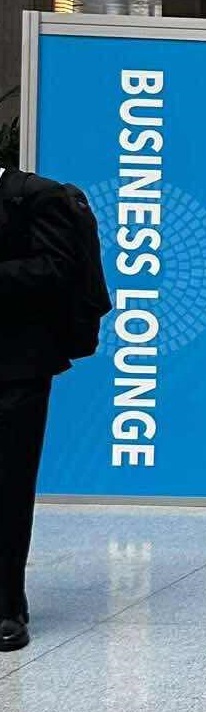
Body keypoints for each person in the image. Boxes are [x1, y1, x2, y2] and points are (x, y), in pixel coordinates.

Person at [0, 166, 77, 652]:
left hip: (15, 368)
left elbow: (56, 271)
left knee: (8, 485)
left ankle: (7, 604)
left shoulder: (36, 197)